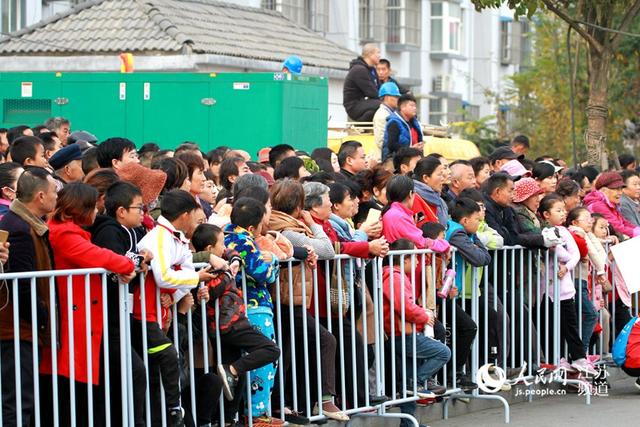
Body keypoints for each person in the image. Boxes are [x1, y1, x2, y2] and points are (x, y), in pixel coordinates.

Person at [40, 182, 137, 425]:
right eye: (93, 207)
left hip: (79, 316)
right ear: (80, 208)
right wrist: (128, 264)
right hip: (73, 318)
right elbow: (101, 256)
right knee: (72, 394)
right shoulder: (64, 233)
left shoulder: (67, 231)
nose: (97, 212)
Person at [133, 189, 216, 426]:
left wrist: (181, 291)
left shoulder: (177, 238)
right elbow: (163, 277)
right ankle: (173, 411)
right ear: (186, 214)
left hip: (162, 313)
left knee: (161, 369)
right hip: (144, 314)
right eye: (196, 216)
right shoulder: (158, 237)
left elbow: (184, 274)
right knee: (165, 360)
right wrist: (195, 280)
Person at [268, 179, 348, 421]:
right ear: (298, 204)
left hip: (293, 298)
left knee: (289, 353)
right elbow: (327, 249)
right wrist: (314, 225)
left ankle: (282, 405)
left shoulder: (285, 224)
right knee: (326, 340)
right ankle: (324, 400)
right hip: (285, 300)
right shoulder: (286, 229)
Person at [89, 181, 151, 426]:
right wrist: (141, 259)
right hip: (108, 319)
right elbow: (115, 264)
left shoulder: (127, 231)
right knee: (133, 373)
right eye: (139, 208)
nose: (143, 213)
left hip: (121, 317)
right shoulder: (109, 231)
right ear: (121, 211)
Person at [0, 167, 56, 426]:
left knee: (24, 398)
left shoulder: (29, 224)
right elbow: (23, 287)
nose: (58, 196)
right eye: (55, 192)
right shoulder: (19, 228)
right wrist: (42, 318)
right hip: (16, 330)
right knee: (18, 401)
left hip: (23, 328)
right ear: (41, 196)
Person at [223, 197, 282, 425]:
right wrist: (274, 262)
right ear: (251, 227)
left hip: (240, 307)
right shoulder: (244, 241)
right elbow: (263, 273)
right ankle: (257, 414)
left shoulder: (226, 235)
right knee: (265, 359)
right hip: (254, 306)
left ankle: (253, 412)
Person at [382, 238, 451, 427]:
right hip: (401, 334)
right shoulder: (394, 276)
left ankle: (408, 423)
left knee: (408, 384)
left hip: (403, 332)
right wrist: (423, 315)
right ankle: (418, 381)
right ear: (404, 259)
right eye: (414, 258)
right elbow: (403, 306)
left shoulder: (393, 275)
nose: (418, 262)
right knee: (444, 352)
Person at [537, 195, 596, 376]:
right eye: (558, 210)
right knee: (549, 325)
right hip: (546, 288)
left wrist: (566, 267)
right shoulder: (543, 231)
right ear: (546, 214)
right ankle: (554, 358)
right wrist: (557, 250)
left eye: (564, 210)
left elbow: (574, 255)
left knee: (569, 324)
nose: (563, 214)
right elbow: (560, 252)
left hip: (565, 288)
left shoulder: (564, 232)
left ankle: (578, 357)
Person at [565, 207, 606, 355]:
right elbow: (592, 252)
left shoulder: (585, 233)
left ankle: (581, 354)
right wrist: (601, 270)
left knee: (586, 316)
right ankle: (581, 354)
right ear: (575, 221)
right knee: (590, 314)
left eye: (591, 218)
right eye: (586, 218)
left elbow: (599, 253)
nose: (591, 221)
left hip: (581, 281)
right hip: (575, 280)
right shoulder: (576, 232)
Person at [381, 174, 450, 253]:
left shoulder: (392, 213)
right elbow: (420, 241)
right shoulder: (399, 215)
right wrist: (443, 245)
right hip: (403, 262)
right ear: (411, 194)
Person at [583, 171, 640, 239]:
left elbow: (624, 222)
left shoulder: (611, 203)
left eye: (621, 189)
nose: (620, 193)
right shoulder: (598, 205)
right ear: (603, 190)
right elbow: (617, 227)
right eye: (616, 189)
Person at [343, 43, 381, 122]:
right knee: (384, 105)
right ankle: (359, 125)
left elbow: (379, 89)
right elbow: (372, 93)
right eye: (378, 53)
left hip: (365, 103)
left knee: (381, 107)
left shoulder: (372, 70)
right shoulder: (359, 70)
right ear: (370, 54)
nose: (379, 56)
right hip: (354, 106)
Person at [381, 94, 423, 161]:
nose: (414, 108)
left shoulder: (415, 123)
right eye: (411, 105)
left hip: (412, 159)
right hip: (396, 161)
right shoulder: (394, 122)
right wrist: (410, 149)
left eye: (415, 106)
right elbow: (392, 145)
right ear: (402, 107)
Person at [412, 156, 448, 226]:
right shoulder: (414, 198)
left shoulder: (439, 200)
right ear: (426, 178)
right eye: (439, 174)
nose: (443, 179)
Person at [176, 152, 212, 218]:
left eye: (203, 173)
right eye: (200, 173)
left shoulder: (205, 205)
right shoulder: (176, 209)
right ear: (186, 175)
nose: (204, 178)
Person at [373, 82, 401, 161]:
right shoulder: (382, 115)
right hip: (385, 160)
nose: (398, 100)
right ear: (387, 97)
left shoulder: (390, 113)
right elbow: (381, 142)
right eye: (396, 97)